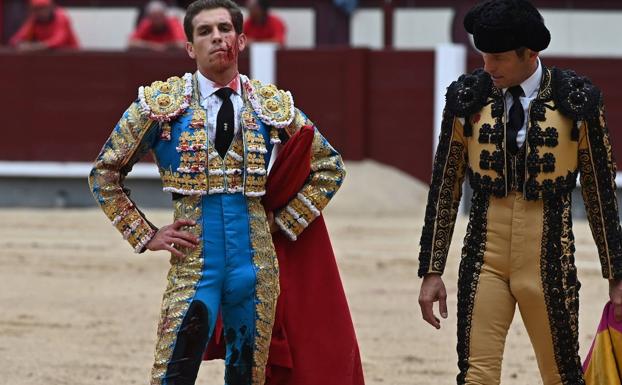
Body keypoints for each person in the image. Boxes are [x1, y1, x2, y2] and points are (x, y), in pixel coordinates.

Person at [89, 1, 351, 384]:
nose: (218, 38)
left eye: (225, 29)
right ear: (190, 48)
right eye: (205, 31)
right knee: (172, 375)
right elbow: (104, 173)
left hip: (255, 266)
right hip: (195, 264)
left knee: (247, 376)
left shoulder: (269, 104)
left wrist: (285, 222)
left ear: (241, 40)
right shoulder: (163, 105)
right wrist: (146, 234)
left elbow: (330, 166)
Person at [416, 1, 622, 384]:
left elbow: (600, 194)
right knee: (476, 376)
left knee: (561, 376)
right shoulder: (467, 97)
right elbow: (445, 185)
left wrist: (617, 275)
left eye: (497, 58)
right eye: (483, 56)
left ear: (530, 54)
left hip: (549, 261)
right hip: (484, 258)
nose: (488, 67)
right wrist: (431, 269)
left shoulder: (576, 100)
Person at [9, 0, 79, 51]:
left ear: (51, 7)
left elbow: (59, 40)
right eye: (37, 8)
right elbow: (16, 39)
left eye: (43, 7)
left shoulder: (61, 17)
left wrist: (34, 47)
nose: (41, 12)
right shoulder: (34, 21)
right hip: (49, 59)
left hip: (71, 55)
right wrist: (19, 44)